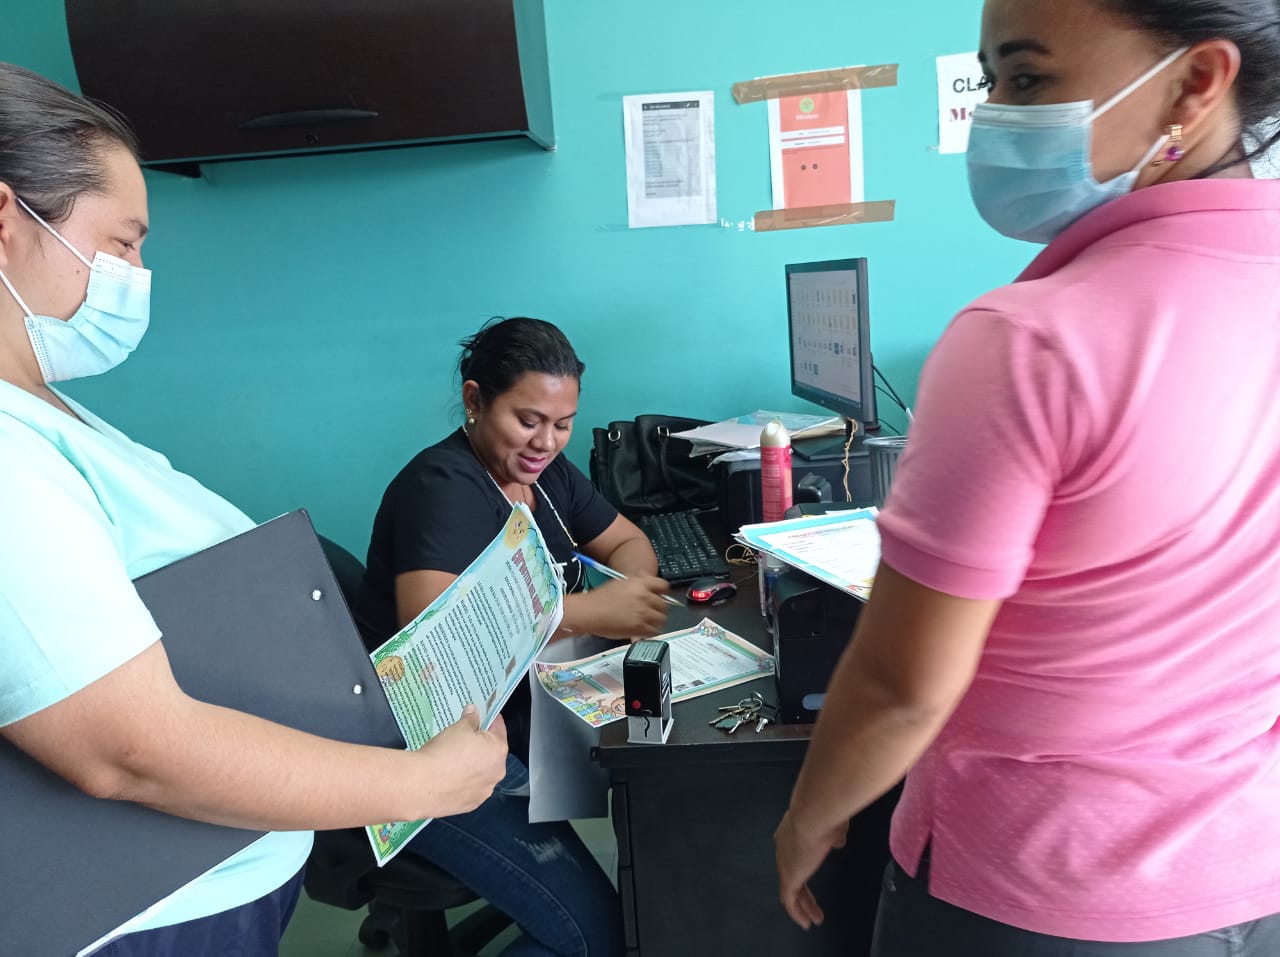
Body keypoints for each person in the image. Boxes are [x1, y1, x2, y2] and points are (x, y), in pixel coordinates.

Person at [775, 1, 1280, 954]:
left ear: (1196, 83)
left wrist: (810, 817)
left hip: (1031, 890)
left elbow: (902, 684)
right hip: (1249, 872)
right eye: (989, 81)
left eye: (1029, 77)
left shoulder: (1028, 339)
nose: (995, 114)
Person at [0, 63, 509, 956]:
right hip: (149, 925)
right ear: (6, 222)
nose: (136, 275)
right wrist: (424, 783)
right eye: (121, 243)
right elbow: (127, 746)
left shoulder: (44, 412)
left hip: (227, 879)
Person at [354, 315, 670, 957]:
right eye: (528, 420)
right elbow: (436, 632)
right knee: (598, 940)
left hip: (512, 728)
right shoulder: (442, 488)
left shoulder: (545, 476)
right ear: (475, 400)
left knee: (654, 853)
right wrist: (590, 612)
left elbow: (628, 540)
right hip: (429, 752)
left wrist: (631, 590)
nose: (545, 442)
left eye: (563, 424)